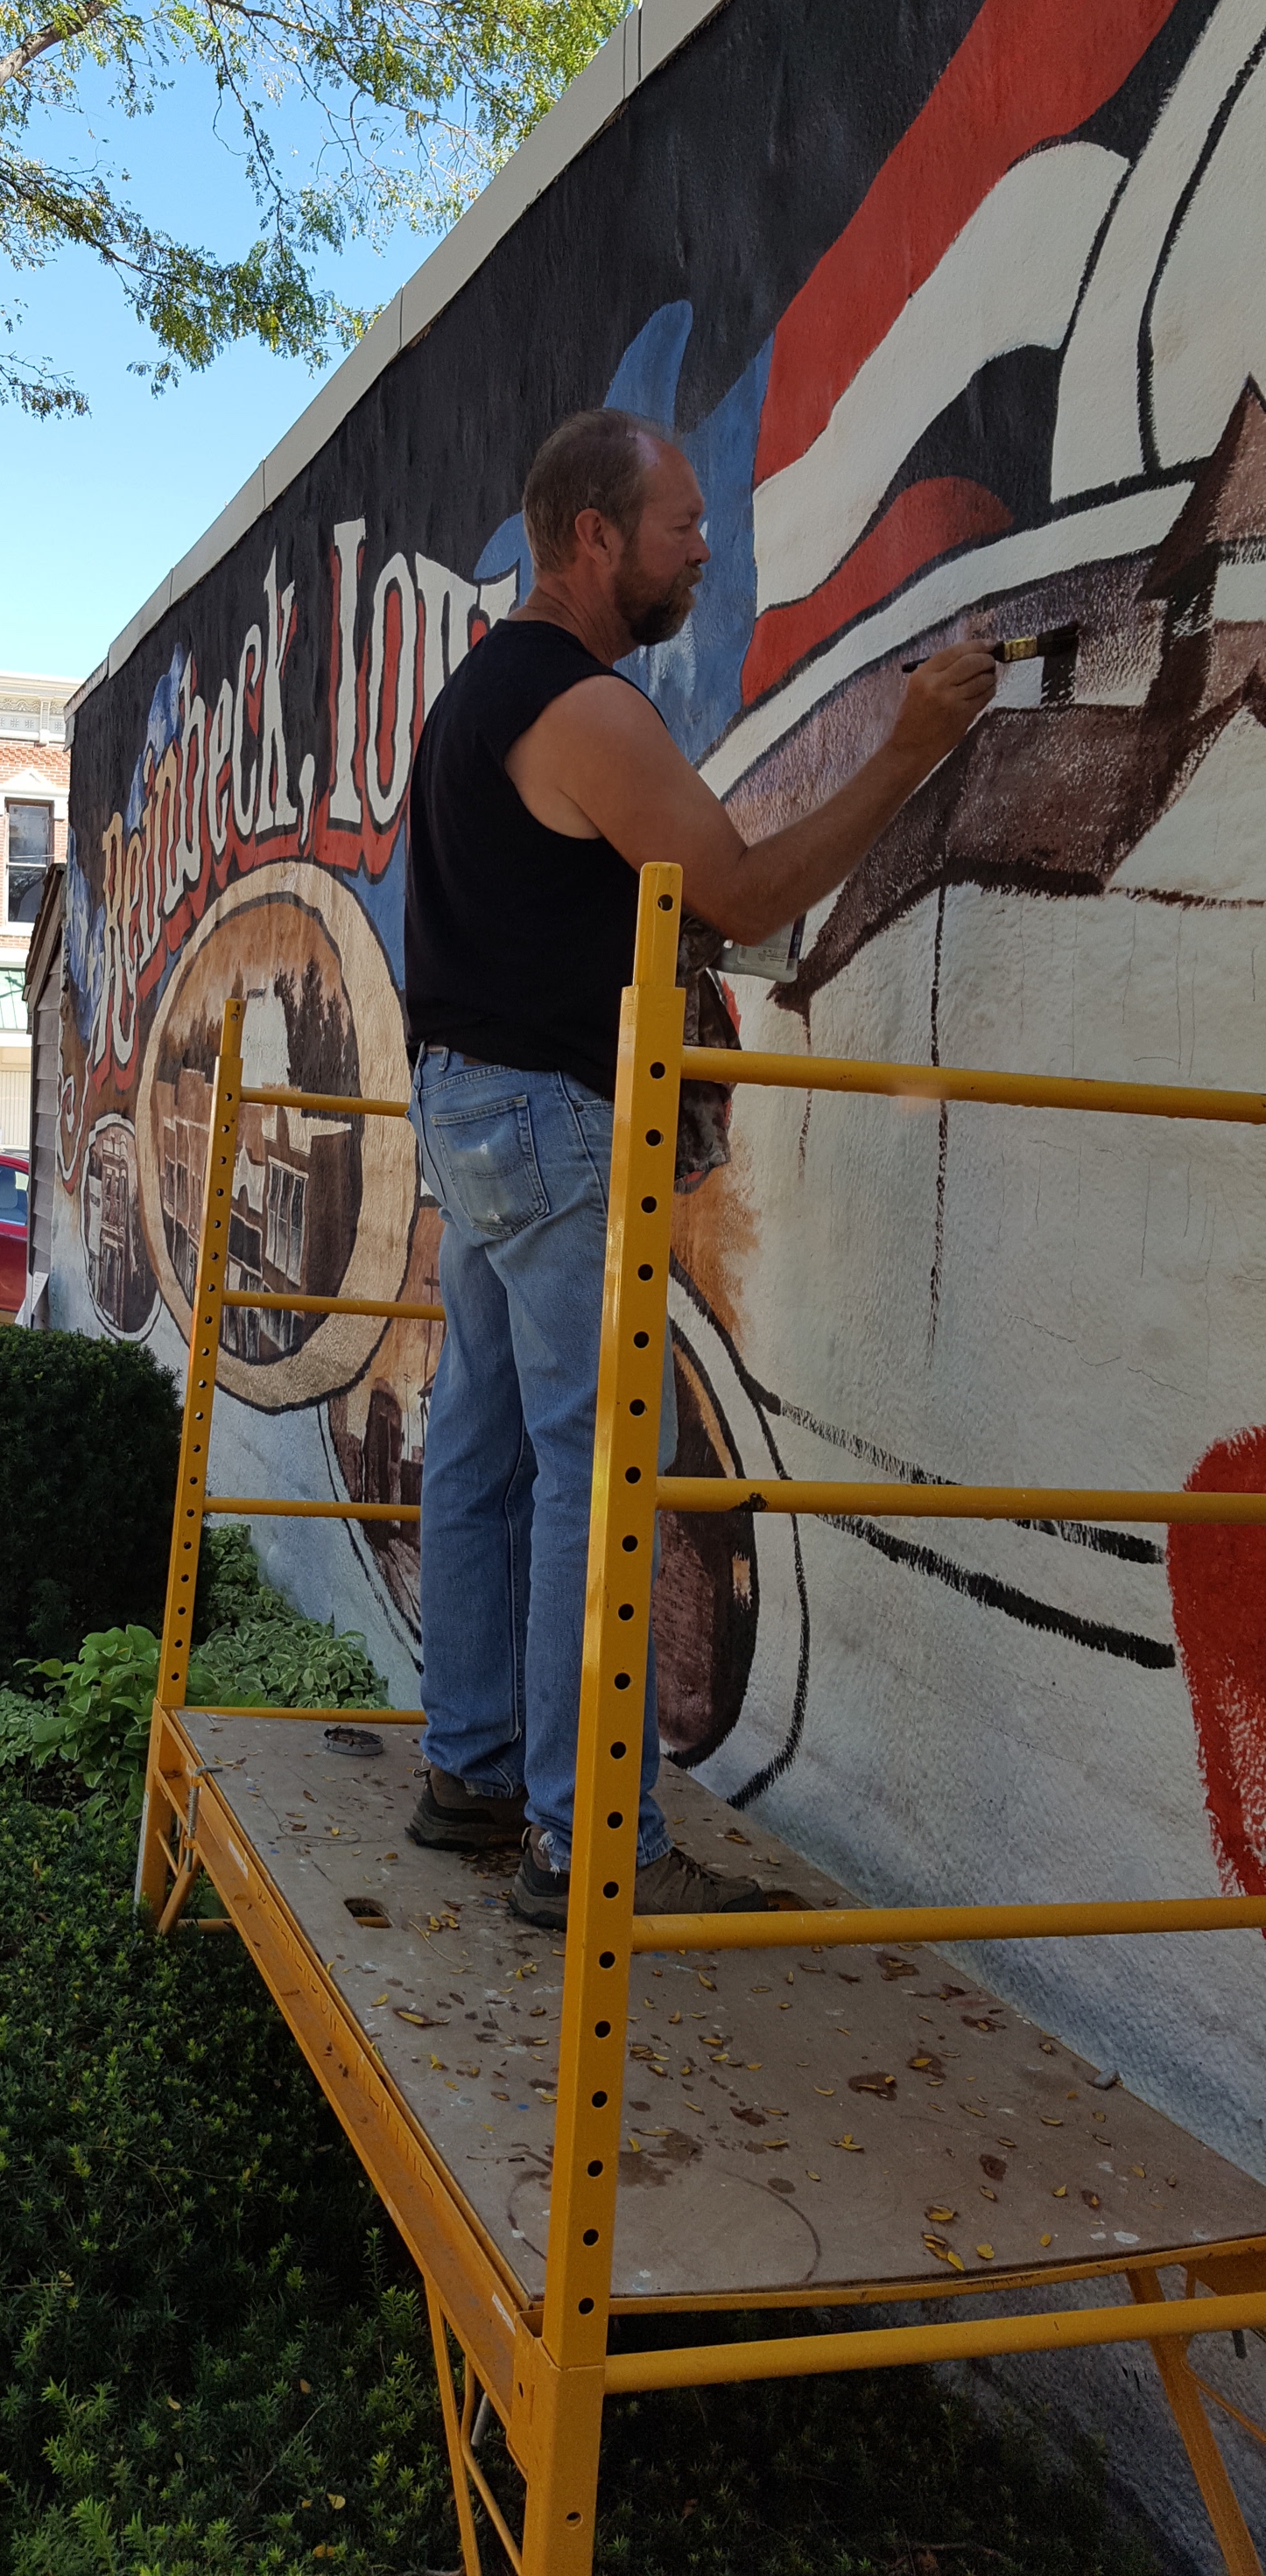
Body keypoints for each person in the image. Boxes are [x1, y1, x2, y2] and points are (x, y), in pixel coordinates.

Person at [402, 407, 997, 1927]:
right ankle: (585, 1846)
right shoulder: (588, 710)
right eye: (680, 526)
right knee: (595, 1474)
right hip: (547, 1121)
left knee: (482, 1444)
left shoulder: (473, 697)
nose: (704, 548)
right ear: (595, 538)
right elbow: (728, 892)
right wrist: (912, 748)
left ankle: (469, 1770)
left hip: (470, 1111)